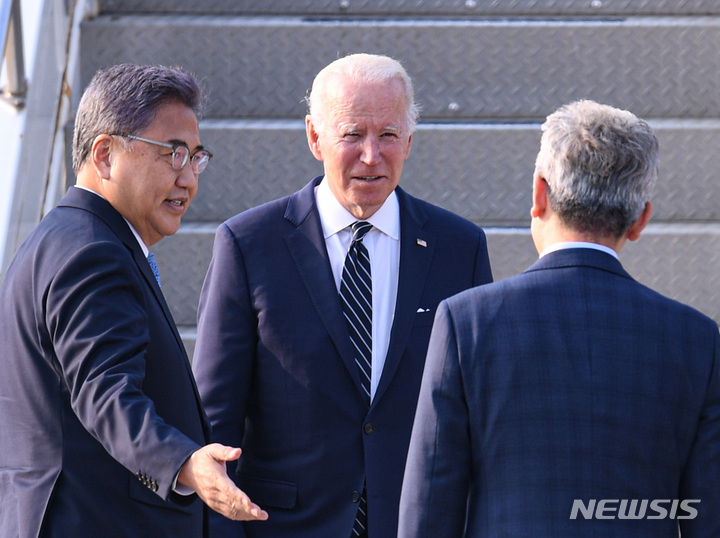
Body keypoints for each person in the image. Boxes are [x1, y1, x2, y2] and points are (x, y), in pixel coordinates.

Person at [192, 53, 493, 537]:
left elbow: (480, 415)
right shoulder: (249, 245)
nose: (371, 156)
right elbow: (213, 428)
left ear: (410, 141)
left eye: (388, 135)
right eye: (352, 134)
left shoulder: (461, 249)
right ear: (315, 137)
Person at [398, 99, 720, 537]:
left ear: (539, 194)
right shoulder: (696, 340)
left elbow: (429, 509)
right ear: (640, 219)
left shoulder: (466, 323)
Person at [0, 63, 267, 537]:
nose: (188, 179)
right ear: (104, 155)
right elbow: (105, 392)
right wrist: (183, 462)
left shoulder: (62, 238)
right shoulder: (93, 253)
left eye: (196, 157)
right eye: (173, 153)